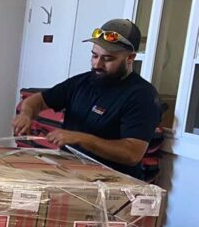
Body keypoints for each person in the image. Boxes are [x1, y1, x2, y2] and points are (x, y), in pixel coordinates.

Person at [13, 19, 162, 179]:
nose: (97, 64)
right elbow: (38, 100)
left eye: (108, 59)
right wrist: (26, 114)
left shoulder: (141, 95)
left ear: (130, 58)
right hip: (71, 174)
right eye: (94, 55)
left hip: (112, 185)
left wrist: (80, 138)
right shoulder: (81, 83)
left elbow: (132, 154)